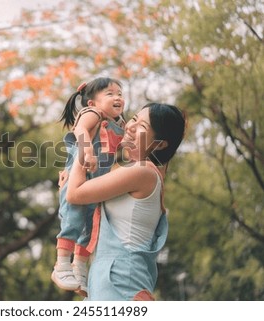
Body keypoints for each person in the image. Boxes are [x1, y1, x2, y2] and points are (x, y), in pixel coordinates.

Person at [66, 102, 186, 300]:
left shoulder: (143, 171)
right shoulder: (134, 173)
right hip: (112, 281)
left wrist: (84, 133)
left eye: (142, 127)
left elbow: (75, 193)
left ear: (159, 143)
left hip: (121, 283)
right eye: (134, 119)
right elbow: (78, 191)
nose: (130, 126)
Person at [51, 77, 125, 297]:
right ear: (92, 103)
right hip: (79, 178)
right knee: (73, 219)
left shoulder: (119, 123)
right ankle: (62, 264)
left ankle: (79, 268)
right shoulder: (92, 114)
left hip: (96, 184)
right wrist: (87, 151)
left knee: (91, 227)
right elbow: (80, 131)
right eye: (110, 94)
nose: (117, 97)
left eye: (120, 93)